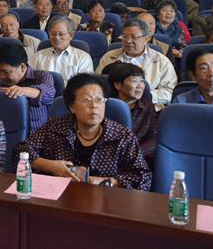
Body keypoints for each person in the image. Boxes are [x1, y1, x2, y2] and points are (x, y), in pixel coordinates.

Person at [16, 74, 151, 190]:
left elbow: (143, 178)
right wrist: (50, 166)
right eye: (87, 100)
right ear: (72, 107)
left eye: (99, 100)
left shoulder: (122, 136)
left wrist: (106, 182)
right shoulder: (55, 127)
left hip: (104, 200)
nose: (94, 106)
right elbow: (21, 151)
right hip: (59, 195)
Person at [96, 19, 177, 109]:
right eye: (125, 37)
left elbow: (170, 91)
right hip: (113, 107)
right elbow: (97, 84)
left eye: (133, 37)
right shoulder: (109, 57)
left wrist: (143, 95)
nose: (128, 41)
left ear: (146, 38)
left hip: (149, 108)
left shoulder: (161, 61)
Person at [104, 62, 159, 168]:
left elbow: (155, 138)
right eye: (134, 81)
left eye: (141, 81)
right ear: (118, 85)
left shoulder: (147, 107)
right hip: (107, 159)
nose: (140, 86)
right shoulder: (106, 107)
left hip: (138, 160)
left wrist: (135, 153)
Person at [0, 44, 55, 131]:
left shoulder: (42, 76)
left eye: (6, 72)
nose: (2, 76)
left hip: (37, 134)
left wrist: (24, 91)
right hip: (8, 132)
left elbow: (49, 95)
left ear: (22, 67)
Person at [33, 16, 94, 84]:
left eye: (61, 34)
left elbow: (85, 85)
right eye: (53, 34)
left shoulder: (83, 58)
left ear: (71, 35)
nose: (57, 38)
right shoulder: (37, 56)